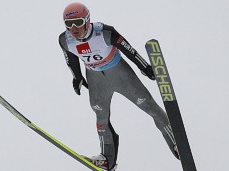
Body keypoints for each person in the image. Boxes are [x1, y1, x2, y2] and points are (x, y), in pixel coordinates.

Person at [58, 2, 180, 171]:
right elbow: (70, 59)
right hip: (95, 79)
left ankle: (175, 141)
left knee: (149, 106)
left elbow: (129, 49)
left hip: (119, 73)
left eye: (77, 22)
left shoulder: (105, 32)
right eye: (68, 24)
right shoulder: (65, 39)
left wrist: (145, 67)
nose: (73, 28)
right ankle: (107, 159)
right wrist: (76, 77)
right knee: (101, 117)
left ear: (87, 20)